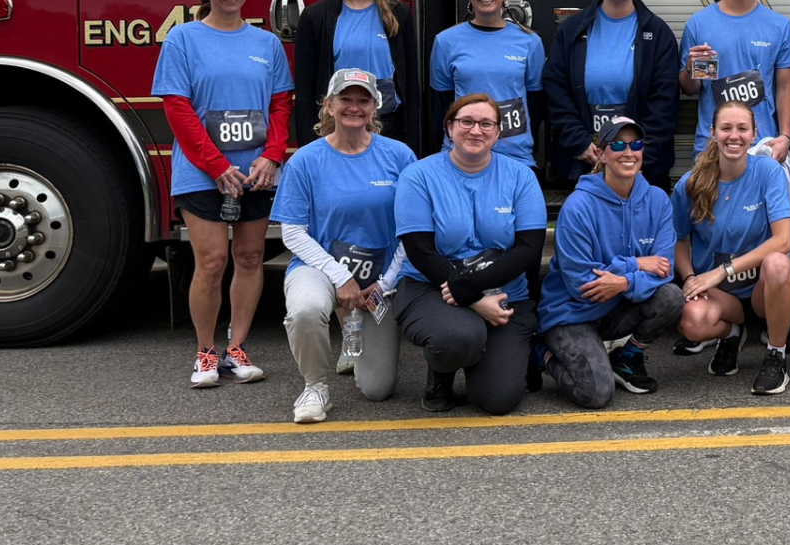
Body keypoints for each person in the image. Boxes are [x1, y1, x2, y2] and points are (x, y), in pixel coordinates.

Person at [153, 0, 293, 388]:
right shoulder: (183, 39)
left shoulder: (266, 43)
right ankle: (205, 353)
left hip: (256, 172)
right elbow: (177, 108)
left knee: (250, 257)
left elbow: (280, 104)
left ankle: (237, 347)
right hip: (202, 172)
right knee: (211, 262)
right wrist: (215, 166)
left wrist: (272, 155)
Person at [271, 68, 417, 422]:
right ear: (329, 105)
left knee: (377, 390)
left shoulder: (400, 156)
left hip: (381, 279)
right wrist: (339, 276)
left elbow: (414, 231)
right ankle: (314, 387)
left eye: (363, 100)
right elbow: (292, 233)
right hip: (319, 267)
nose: (354, 107)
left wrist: (383, 285)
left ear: (375, 107)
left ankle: (358, 347)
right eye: (345, 99)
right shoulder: (305, 160)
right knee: (305, 308)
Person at [393, 93, 549, 414]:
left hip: (506, 295)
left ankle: (489, 357)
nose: (475, 130)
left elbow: (529, 249)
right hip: (432, 287)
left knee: (498, 400)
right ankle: (443, 370)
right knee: (458, 338)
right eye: (466, 121)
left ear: (498, 132)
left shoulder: (521, 176)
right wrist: (472, 298)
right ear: (450, 127)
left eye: (486, 124)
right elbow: (420, 251)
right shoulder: (418, 176)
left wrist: (474, 286)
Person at [537, 116, 687, 407]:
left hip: (616, 304)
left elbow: (665, 269)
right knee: (596, 393)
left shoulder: (657, 200)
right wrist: (636, 265)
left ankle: (627, 358)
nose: (628, 152)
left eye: (636, 144)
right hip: (572, 313)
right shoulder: (578, 206)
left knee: (671, 297)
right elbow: (583, 282)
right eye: (617, 144)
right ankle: (541, 353)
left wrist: (623, 281)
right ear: (601, 153)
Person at [672, 101, 790, 395]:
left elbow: (784, 240)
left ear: (754, 134)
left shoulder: (767, 171)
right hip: (718, 292)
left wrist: (722, 270)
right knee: (691, 322)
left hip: (760, 290)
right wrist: (690, 277)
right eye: (726, 128)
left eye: (742, 128)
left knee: (780, 264)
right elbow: (677, 239)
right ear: (713, 133)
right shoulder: (690, 183)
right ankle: (731, 334)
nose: (734, 136)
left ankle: (775, 355)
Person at [543, 0, 681, 188]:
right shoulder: (572, 31)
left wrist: (634, 154)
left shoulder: (657, 34)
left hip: (642, 169)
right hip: (584, 162)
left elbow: (664, 103)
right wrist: (580, 143)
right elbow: (556, 90)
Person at [294, 0, 422, 154]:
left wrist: (414, 143)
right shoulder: (315, 17)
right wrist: (307, 148)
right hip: (335, 132)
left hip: (389, 128)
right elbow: (305, 93)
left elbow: (411, 83)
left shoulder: (398, 14)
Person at [678, 0, 790, 164]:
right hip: (711, 147)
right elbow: (690, 89)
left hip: (763, 146)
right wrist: (690, 70)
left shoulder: (779, 26)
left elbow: (785, 88)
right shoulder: (700, 25)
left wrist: (785, 136)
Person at [429, 0, 548, 171]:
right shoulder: (446, 41)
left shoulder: (530, 42)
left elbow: (536, 102)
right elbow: (442, 104)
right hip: (462, 154)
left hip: (515, 155)